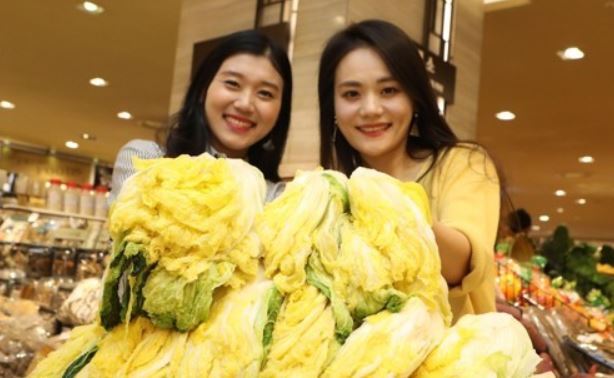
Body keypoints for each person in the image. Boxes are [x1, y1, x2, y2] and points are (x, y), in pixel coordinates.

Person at [318, 20, 500, 323]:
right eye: (352, 94)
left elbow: (464, 263)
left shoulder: (463, 164)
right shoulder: (331, 194)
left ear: (414, 98)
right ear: (333, 109)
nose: (371, 108)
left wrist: (387, 207)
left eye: (388, 90)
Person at [110, 29, 293, 203]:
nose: (245, 104)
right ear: (202, 90)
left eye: (265, 93)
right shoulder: (145, 160)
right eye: (233, 83)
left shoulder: (277, 200)